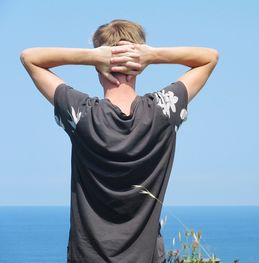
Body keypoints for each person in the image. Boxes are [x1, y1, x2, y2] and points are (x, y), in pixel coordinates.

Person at [20, 19, 218, 263]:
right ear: (140, 63)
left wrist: (92, 57)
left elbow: (30, 58)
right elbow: (209, 57)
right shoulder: (163, 111)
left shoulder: (82, 114)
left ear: (98, 64)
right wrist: (152, 55)